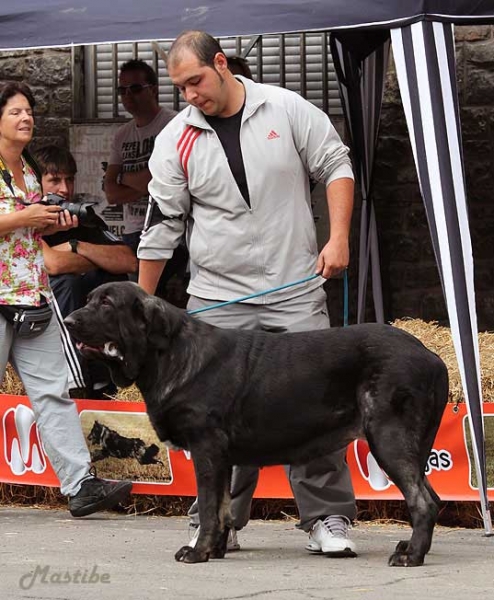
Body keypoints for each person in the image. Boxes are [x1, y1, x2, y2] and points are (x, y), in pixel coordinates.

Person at [137, 31, 357, 556]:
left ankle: (326, 518)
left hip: (294, 286)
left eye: (196, 81)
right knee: (210, 418)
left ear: (220, 64)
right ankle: (218, 523)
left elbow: (336, 164)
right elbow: (161, 225)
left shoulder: (286, 107)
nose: (189, 95)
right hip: (217, 299)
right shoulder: (176, 139)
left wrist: (340, 236)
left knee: (316, 399)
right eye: (179, 88)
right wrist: (140, 304)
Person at [0, 81, 132, 515]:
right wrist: (26, 216)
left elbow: (26, 231)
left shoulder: (32, 168)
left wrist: (54, 223)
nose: (26, 118)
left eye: (29, 112)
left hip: (33, 294)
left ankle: (80, 485)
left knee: (53, 393)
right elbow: (17, 220)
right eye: (16, 112)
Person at [37, 145, 137, 398]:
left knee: (112, 282)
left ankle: (113, 371)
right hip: (38, 321)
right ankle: (77, 383)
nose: (64, 189)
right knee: (66, 282)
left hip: (92, 324)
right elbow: (53, 265)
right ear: (35, 184)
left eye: (69, 179)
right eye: (54, 180)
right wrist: (98, 259)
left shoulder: (82, 217)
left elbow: (128, 261)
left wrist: (76, 246)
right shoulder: (27, 219)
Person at [103, 59, 187, 299]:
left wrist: (127, 178)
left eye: (136, 88)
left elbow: (175, 180)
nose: (128, 95)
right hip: (132, 233)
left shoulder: (174, 124)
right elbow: (111, 193)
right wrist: (150, 183)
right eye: (122, 90)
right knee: (134, 301)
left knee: (161, 302)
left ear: (154, 89)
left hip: (171, 230)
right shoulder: (122, 135)